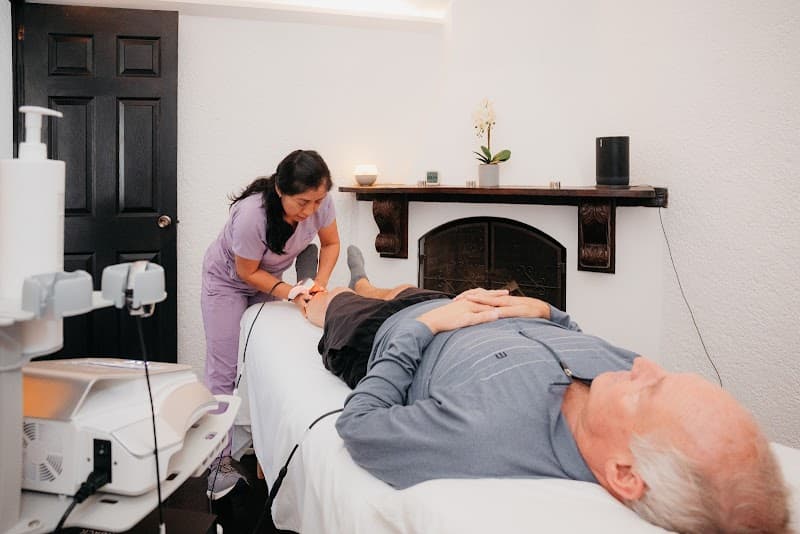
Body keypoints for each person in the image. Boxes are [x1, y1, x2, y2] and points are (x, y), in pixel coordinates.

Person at [305, 246, 791, 534]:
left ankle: (335, 289)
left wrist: (425, 328)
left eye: (649, 391)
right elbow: (574, 337)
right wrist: (548, 313)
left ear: (624, 473)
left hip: (385, 332)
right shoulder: (620, 377)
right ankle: (366, 280)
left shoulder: (490, 432)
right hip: (461, 305)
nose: (642, 365)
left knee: (326, 302)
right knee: (396, 288)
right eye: (663, 374)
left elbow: (359, 426)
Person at [201, 149, 340, 498]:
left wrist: (318, 283)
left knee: (262, 363)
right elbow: (247, 272)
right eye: (303, 202)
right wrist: (289, 292)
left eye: (317, 201)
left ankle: (262, 449)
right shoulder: (251, 215)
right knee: (225, 370)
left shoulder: (320, 203)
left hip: (271, 281)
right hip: (228, 283)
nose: (310, 210)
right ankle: (217, 463)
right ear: (280, 189)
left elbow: (331, 243)